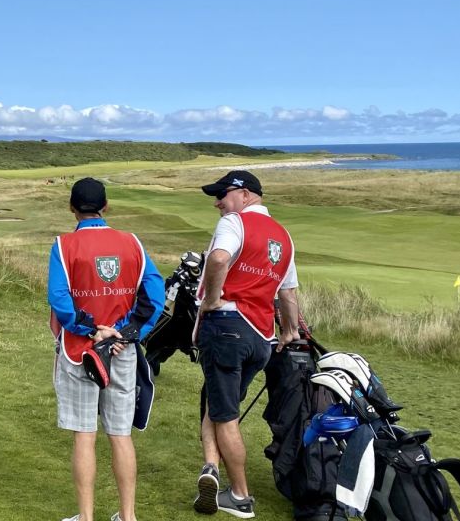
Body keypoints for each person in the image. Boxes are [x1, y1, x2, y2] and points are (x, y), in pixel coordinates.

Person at [49, 178, 166, 521]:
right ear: (106, 206)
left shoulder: (63, 245)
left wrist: (90, 329)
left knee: (85, 436)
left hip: (80, 351)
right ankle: (127, 517)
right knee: (120, 434)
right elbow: (155, 294)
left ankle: (86, 518)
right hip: (120, 350)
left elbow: (59, 298)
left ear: (72, 208)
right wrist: (124, 331)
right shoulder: (132, 243)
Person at [192, 170, 301, 519]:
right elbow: (287, 293)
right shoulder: (284, 236)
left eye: (222, 194)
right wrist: (289, 331)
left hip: (227, 328)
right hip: (261, 338)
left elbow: (219, 259)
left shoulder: (235, 222)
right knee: (217, 401)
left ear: (243, 193)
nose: (217, 202)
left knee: (226, 416)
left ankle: (240, 496)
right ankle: (210, 466)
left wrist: (211, 299)